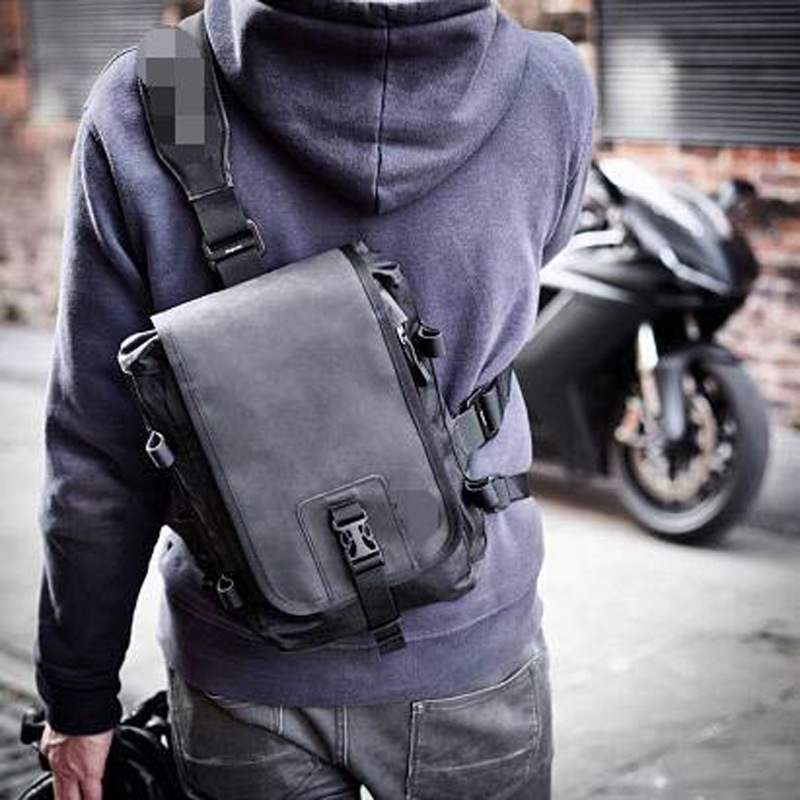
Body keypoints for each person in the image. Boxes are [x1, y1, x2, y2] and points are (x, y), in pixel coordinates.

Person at [35, 0, 594, 797]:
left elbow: (99, 449)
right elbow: (540, 251)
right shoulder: (548, 83)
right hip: (470, 644)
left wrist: (79, 693)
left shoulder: (161, 89)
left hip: (242, 661)